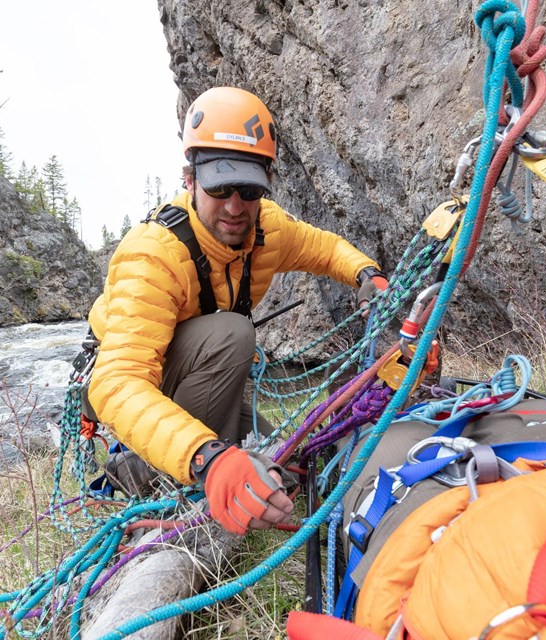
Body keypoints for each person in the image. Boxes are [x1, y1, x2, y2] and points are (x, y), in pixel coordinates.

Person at [86, 86, 388, 536]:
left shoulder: (265, 228)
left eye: (248, 189)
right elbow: (118, 381)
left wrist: (367, 274)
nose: (234, 206)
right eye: (219, 186)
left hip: (193, 373)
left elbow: (322, 248)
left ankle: (206, 458)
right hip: (133, 385)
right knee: (232, 334)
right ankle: (148, 474)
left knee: (290, 463)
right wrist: (206, 458)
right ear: (190, 180)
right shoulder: (152, 256)